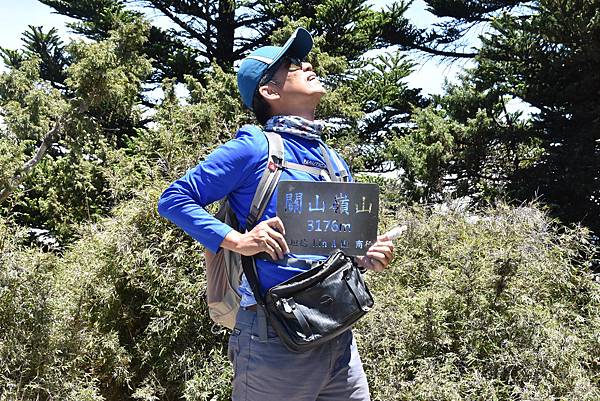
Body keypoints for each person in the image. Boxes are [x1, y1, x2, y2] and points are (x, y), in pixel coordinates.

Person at [157, 27, 394, 401]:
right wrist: (239, 241)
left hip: (337, 335)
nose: (308, 65)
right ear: (269, 91)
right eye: (293, 65)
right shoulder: (254, 146)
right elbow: (174, 199)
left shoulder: (334, 160)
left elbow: (335, 249)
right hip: (272, 338)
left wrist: (365, 256)